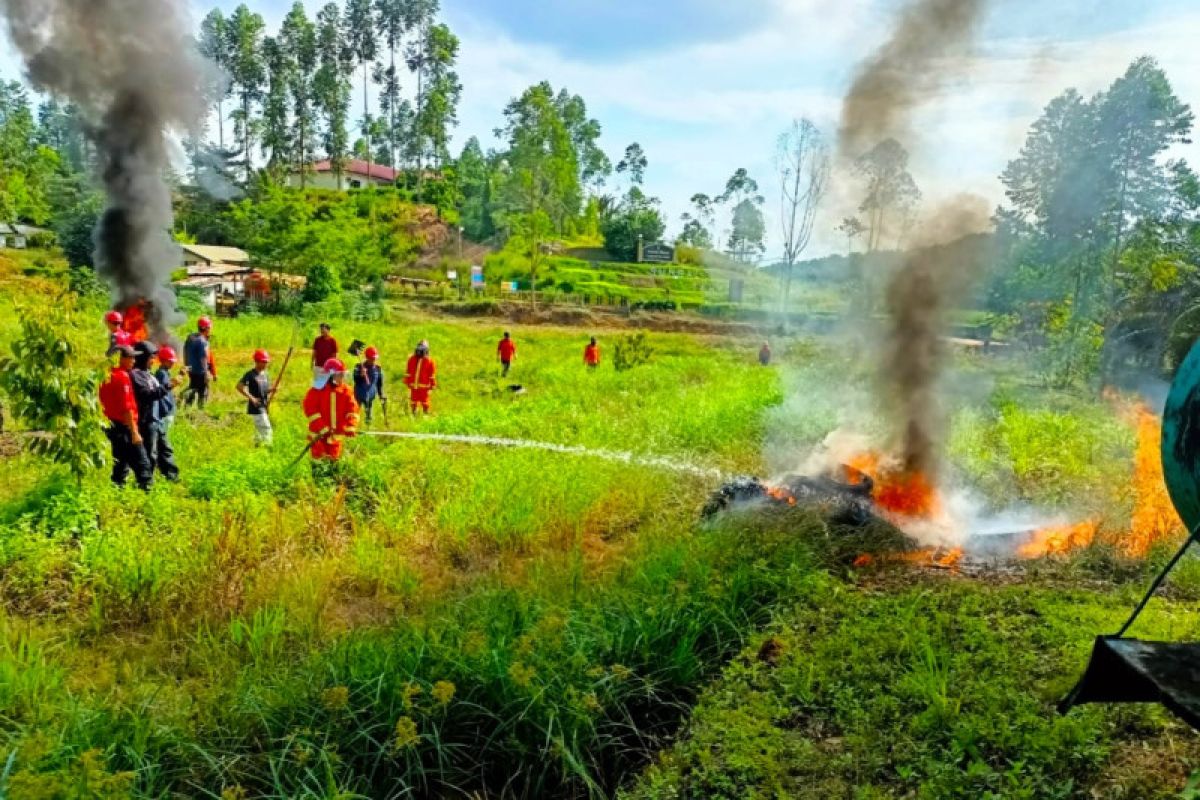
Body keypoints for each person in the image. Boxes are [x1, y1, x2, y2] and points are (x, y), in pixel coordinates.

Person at [99, 345, 153, 490]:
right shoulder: (123, 377)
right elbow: (126, 407)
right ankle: (146, 490)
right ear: (121, 359)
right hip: (125, 425)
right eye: (131, 358)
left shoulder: (106, 375)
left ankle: (118, 487)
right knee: (143, 463)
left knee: (120, 459)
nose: (134, 361)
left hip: (109, 423)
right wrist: (134, 432)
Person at [131, 341, 180, 482]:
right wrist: (169, 385)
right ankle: (146, 484)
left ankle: (170, 477)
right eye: (151, 358)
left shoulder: (148, 374)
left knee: (164, 450)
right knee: (149, 454)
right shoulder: (137, 375)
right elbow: (148, 395)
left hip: (156, 419)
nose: (153, 361)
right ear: (143, 358)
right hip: (147, 420)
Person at [303, 358, 360, 461]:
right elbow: (311, 410)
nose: (342, 378)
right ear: (330, 375)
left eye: (343, 374)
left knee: (333, 465)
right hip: (318, 437)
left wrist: (351, 426)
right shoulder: (317, 390)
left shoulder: (346, 390)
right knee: (318, 465)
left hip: (335, 438)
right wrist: (322, 428)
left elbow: (352, 409)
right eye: (340, 375)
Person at [237, 349, 276, 446]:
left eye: (266, 362)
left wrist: (272, 390)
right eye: (263, 362)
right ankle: (268, 448)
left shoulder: (266, 375)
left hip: (264, 406)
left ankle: (257, 448)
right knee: (267, 429)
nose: (265, 364)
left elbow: (264, 391)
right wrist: (252, 398)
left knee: (259, 432)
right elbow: (239, 386)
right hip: (256, 407)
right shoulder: (250, 374)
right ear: (257, 361)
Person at [183, 317, 217, 408]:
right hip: (201, 372)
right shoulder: (202, 341)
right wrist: (206, 373)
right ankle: (201, 411)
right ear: (206, 328)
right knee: (203, 392)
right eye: (209, 327)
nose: (210, 329)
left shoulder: (190, 337)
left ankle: (187, 408)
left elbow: (185, 352)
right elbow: (204, 358)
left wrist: (186, 366)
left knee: (193, 388)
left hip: (191, 370)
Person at [353, 346, 387, 425]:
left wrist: (381, 395)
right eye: (372, 358)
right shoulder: (358, 366)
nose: (373, 360)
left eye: (374, 358)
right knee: (354, 414)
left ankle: (368, 429)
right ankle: (353, 428)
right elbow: (355, 379)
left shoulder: (378, 369)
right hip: (358, 395)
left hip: (370, 396)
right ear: (367, 357)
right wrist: (361, 375)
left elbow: (379, 384)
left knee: (369, 416)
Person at [404, 340, 437, 415]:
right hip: (414, 386)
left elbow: (432, 375)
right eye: (419, 349)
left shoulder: (429, 361)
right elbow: (408, 372)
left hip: (424, 387)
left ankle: (425, 414)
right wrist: (407, 381)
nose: (419, 351)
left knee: (425, 401)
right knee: (413, 400)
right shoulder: (411, 359)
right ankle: (413, 413)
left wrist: (433, 384)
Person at [156, 345, 178, 432]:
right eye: (170, 361)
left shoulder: (164, 372)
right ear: (164, 361)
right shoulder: (162, 374)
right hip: (166, 411)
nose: (172, 363)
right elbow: (165, 389)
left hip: (167, 410)